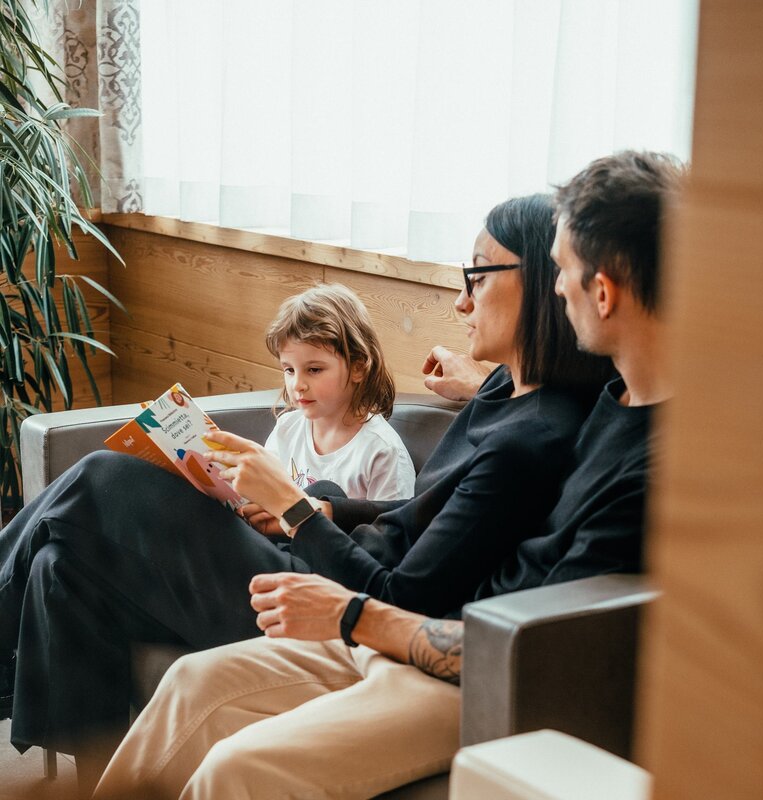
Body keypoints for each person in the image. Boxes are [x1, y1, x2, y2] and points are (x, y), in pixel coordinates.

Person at [92, 150, 683, 800]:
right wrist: (481, 381)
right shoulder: (608, 397)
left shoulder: (654, 459)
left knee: (241, 767)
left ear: (603, 291)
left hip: (466, 669)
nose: (558, 286)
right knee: (189, 684)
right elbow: (524, 424)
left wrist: (355, 613)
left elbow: (538, 655)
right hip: (419, 632)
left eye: (565, 272)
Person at [260, 283, 415, 503]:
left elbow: (391, 532)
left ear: (357, 368)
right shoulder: (287, 429)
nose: (297, 384)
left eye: (314, 370)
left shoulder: (382, 451)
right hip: (277, 536)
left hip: (341, 538)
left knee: (325, 492)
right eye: (289, 370)